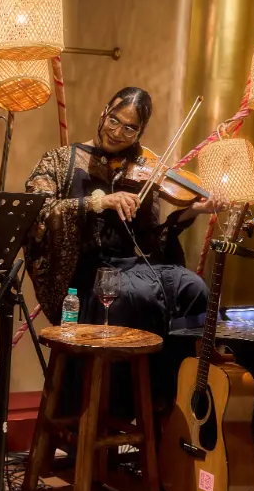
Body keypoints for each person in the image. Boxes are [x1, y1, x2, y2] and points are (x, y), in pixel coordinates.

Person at [25, 87, 228, 409]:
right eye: (114, 120)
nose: (117, 132)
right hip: (84, 271)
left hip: (134, 266)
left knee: (194, 288)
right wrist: (98, 201)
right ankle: (117, 404)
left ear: (140, 132)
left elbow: (153, 236)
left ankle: (168, 395)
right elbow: (38, 210)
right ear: (104, 112)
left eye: (129, 128)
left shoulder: (145, 168)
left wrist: (193, 211)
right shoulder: (60, 160)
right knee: (135, 295)